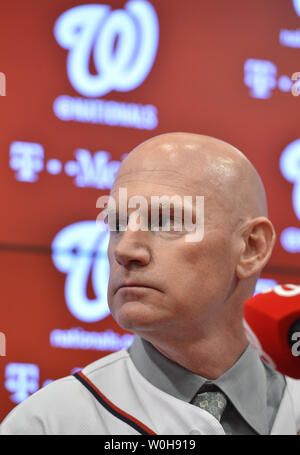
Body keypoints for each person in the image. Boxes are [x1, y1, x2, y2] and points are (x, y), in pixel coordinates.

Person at [1, 132, 300, 435]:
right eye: (117, 225)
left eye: (166, 221)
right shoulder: (47, 425)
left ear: (251, 247)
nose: (124, 249)